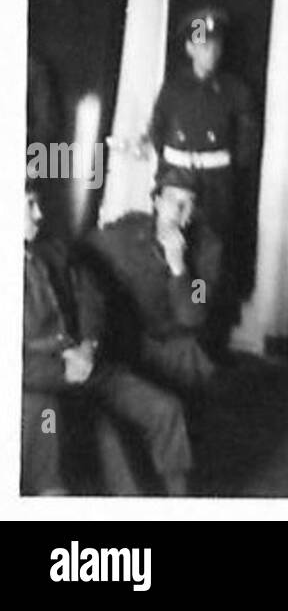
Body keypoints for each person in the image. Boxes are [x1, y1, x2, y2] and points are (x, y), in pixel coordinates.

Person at [23, 180, 193, 496]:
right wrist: (63, 369)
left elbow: (91, 298)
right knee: (100, 435)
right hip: (41, 378)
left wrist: (88, 344)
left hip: (87, 361)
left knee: (164, 409)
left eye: (38, 203)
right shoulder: (124, 233)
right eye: (29, 205)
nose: (39, 214)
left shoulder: (53, 250)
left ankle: (180, 503)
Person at [147, 5, 258, 347]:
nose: (211, 52)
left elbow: (247, 141)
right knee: (172, 249)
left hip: (216, 186)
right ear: (189, 48)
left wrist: (221, 167)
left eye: (216, 45)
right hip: (177, 180)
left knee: (213, 256)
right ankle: (170, 333)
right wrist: (172, 174)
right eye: (203, 45)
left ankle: (209, 340)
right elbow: (158, 130)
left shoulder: (235, 89)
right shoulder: (173, 88)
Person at [83, 163, 221, 398]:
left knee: (189, 359)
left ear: (195, 210)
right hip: (129, 339)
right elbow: (83, 249)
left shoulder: (208, 248)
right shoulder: (129, 231)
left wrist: (179, 267)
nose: (178, 210)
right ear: (156, 202)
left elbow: (193, 316)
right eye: (171, 199)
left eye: (187, 203)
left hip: (174, 345)